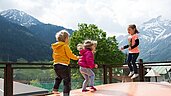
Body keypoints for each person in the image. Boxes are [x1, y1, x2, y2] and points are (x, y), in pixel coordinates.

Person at [51, 30, 79, 96]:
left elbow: (54, 56)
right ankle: (66, 94)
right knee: (67, 81)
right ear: (66, 39)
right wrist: (77, 57)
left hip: (56, 65)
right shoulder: (65, 46)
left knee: (58, 77)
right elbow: (70, 55)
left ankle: (55, 90)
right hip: (64, 65)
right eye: (68, 38)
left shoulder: (55, 47)